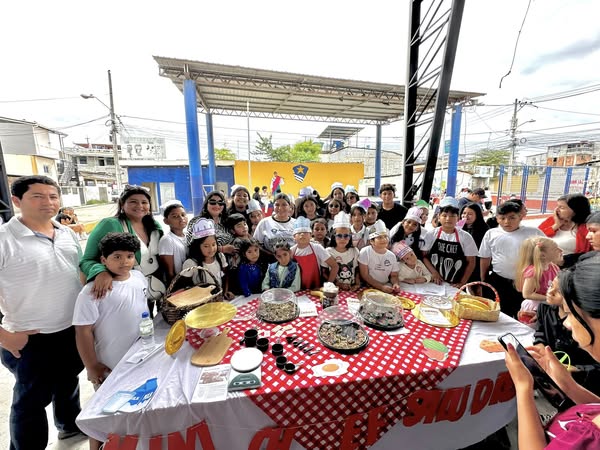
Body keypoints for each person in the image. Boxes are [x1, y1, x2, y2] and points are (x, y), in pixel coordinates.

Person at [0, 175, 84, 448]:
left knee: (68, 380)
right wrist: (5, 337)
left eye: (53, 196)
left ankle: (69, 426)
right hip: (29, 335)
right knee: (31, 400)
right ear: (17, 201)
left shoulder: (66, 233)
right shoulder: (5, 239)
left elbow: (79, 272)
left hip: (69, 327)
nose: (48, 202)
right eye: (37, 196)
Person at [504, 253, 600, 449]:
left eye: (571, 313)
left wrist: (523, 387)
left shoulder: (589, 436)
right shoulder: (545, 310)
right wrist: (569, 385)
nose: (566, 323)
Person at [72, 232, 147, 450]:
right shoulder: (92, 291)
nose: (125, 262)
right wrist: (91, 365)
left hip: (138, 359)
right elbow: (83, 331)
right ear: (103, 260)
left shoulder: (139, 278)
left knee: (133, 408)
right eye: (117, 257)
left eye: (129, 256)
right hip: (110, 365)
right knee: (105, 413)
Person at [80, 185, 164, 314]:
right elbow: (87, 260)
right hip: (126, 291)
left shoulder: (154, 226)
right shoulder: (110, 224)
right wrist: (101, 272)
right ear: (122, 204)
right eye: (133, 202)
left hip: (157, 289)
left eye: (144, 202)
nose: (140, 206)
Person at [533, 275, 600, 396]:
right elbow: (540, 333)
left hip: (584, 385)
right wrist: (541, 348)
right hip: (555, 377)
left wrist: (577, 370)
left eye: (559, 291)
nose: (550, 292)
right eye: (551, 285)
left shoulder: (587, 329)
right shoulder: (544, 308)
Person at [479, 201, 544, 318]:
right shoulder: (491, 233)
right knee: (498, 314)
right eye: (502, 218)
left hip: (525, 283)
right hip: (498, 281)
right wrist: (483, 279)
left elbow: (548, 253)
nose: (507, 222)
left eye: (512, 217)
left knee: (522, 316)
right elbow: (485, 257)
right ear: (497, 218)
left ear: (520, 217)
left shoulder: (534, 233)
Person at [422, 197, 478, 288]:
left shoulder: (466, 237)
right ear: (439, 217)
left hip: (455, 284)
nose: (448, 219)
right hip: (433, 281)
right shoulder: (431, 234)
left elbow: (471, 262)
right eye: (444, 215)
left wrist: (462, 282)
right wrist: (434, 273)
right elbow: (424, 257)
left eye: (452, 216)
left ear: (458, 218)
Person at [515, 236, 562, 325]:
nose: (561, 250)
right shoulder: (533, 272)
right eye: (556, 249)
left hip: (549, 304)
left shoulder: (554, 267)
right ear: (543, 255)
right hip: (535, 307)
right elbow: (527, 294)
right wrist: (549, 298)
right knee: (533, 329)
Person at [183, 218, 233, 299]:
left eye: (213, 244)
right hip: (201, 300)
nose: (211, 249)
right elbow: (186, 286)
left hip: (218, 297)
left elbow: (225, 275)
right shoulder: (191, 263)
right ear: (197, 247)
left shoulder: (220, 256)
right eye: (206, 246)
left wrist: (225, 291)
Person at [539, 193, 592, 266]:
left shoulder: (587, 227)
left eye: (562, 207)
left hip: (570, 266)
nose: (557, 210)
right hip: (543, 264)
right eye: (557, 206)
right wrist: (555, 226)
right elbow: (535, 238)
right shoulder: (551, 221)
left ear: (575, 210)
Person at [291, 217, 338, 290]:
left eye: (305, 232)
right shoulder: (291, 251)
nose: (302, 234)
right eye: (299, 233)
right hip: (297, 289)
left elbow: (335, 266)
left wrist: (328, 286)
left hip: (316, 288)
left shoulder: (317, 248)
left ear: (310, 235)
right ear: (294, 237)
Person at [186, 191, 236, 257]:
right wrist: (222, 249)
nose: (217, 205)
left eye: (220, 203)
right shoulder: (197, 221)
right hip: (205, 261)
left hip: (228, 261)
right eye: (212, 202)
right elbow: (191, 245)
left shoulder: (226, 221)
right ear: (206, 204)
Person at [358, 220, 400, 294]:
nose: (384, 239)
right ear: (372, 241)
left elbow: (394, 275)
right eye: (379, 237)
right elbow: (365, 275)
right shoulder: (365, 252)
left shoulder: (391, 256)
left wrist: (395, 284)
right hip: (368, 286)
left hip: (386, 286)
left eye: (385, 237)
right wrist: (381, 287)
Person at [327, 212, 360, 291]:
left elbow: (357, 270)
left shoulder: (354, 251)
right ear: (333, 236)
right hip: (334, 289)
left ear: (350, 237)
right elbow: (325, 273)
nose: (342, 239)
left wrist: (357, 284)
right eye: (339, 236)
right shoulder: (328, 251)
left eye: (346, 236)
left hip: (352, 289)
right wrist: (338, 284)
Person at [459, 202, 489, 285]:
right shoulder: (459, 226)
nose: (465, 216)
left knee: (475, 286)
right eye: (464, 213)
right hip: (462, 263)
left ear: (477, 215)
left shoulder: (483, 229)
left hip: (476, 264)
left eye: (470, 214)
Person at [158, 200, 188, 283]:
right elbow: (169, 272)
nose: (181, 218)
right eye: (175, 216)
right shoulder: (167, 240)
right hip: (179, 283)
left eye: (183, 215)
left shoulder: (188, 235)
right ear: (166, 221)